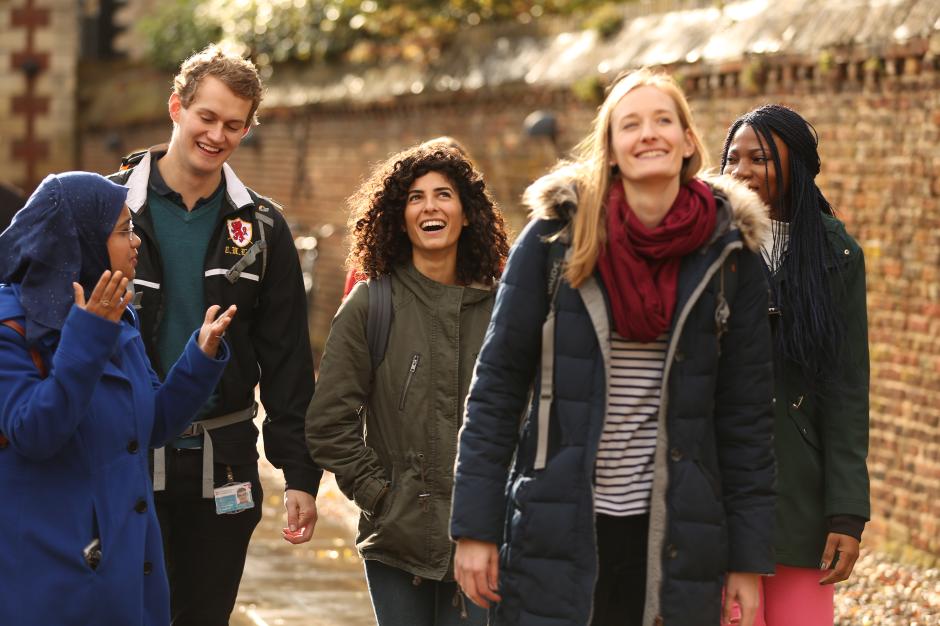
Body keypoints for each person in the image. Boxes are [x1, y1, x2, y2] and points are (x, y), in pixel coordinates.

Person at [450, 68, 777, 626]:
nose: (648, 133)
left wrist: (748, 562)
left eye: (662, 120)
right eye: (631, 124)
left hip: (677, 534)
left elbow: (746, 419)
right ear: (611, 147)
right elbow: (497, 388)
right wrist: (475, 528)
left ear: (688, 141)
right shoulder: (555, 239)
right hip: (560, 523)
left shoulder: (730, 254)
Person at [107, 45, 322, 625]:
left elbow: (287, 361)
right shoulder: (108, 206)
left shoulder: (262, 226)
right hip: (121, 454)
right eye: (207, 116)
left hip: (222, 463)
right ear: (176, 107)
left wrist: (299, 473)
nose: (217, 134)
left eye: (234, 124)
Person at [0, 172, 235, 626]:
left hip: (127, 573)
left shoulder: (116, 314)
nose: (136, 242)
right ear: (80, 240)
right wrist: (88, 335)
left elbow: (148, 427)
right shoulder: (11, 328)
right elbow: (35, 432)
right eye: (123, 229)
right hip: (51, 582)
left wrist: (200, 356)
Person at [306, 143, 509, 625]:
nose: (430, 206)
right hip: (397, 543)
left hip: (484, 535)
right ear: (399, 218)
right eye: (415, 197)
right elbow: (328, 422)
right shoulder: (370, 306)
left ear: (467, 213)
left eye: (444, 194)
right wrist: (380, 495)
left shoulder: (504, 308)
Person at [719, 104, 870, 626]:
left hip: (799, 496)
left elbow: (848, 388)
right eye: (732, 158)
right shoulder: (708, 247)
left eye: (758, 158)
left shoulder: (838, 255)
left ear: (795, 166)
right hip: (719, 488)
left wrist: (847, 512)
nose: (740, 170)